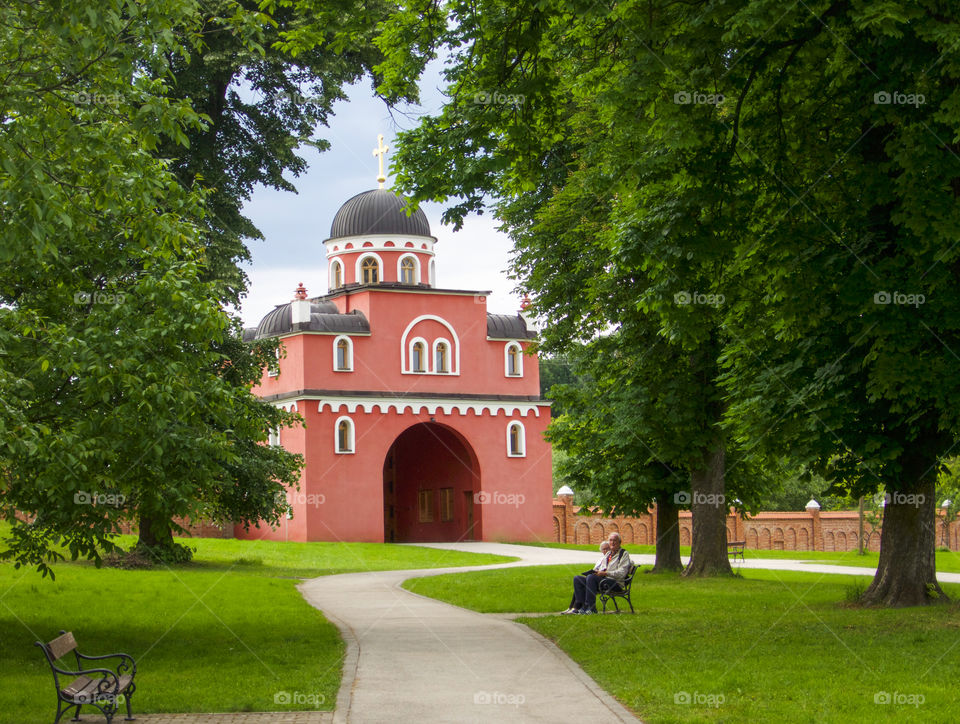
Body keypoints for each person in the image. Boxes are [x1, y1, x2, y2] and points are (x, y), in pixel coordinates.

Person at [563, 532, 632, 615]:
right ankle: (581, 607)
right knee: (578, 579)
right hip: (604, 580)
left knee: (591, 578)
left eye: (615, 540)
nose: (612, 542)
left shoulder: (623, 554)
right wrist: (596, 572)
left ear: (619, 542)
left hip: (615, 583)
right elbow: (601, 567)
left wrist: (605, 573)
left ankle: (591, 608)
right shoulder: (608, 554)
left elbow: (622, 573)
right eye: (610, 540)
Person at [560, 541, 610, 614]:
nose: (605, 551)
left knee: (589, 578)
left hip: (603, 581)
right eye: (603, 549)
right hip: (594, 578)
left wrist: (600, 573)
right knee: (577, 579)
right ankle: (577, 607)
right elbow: (595, 569)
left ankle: (582, 607)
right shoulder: (601, 559)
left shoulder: (611, 557)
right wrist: (593, 572)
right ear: (601, 550)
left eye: (607, 549)